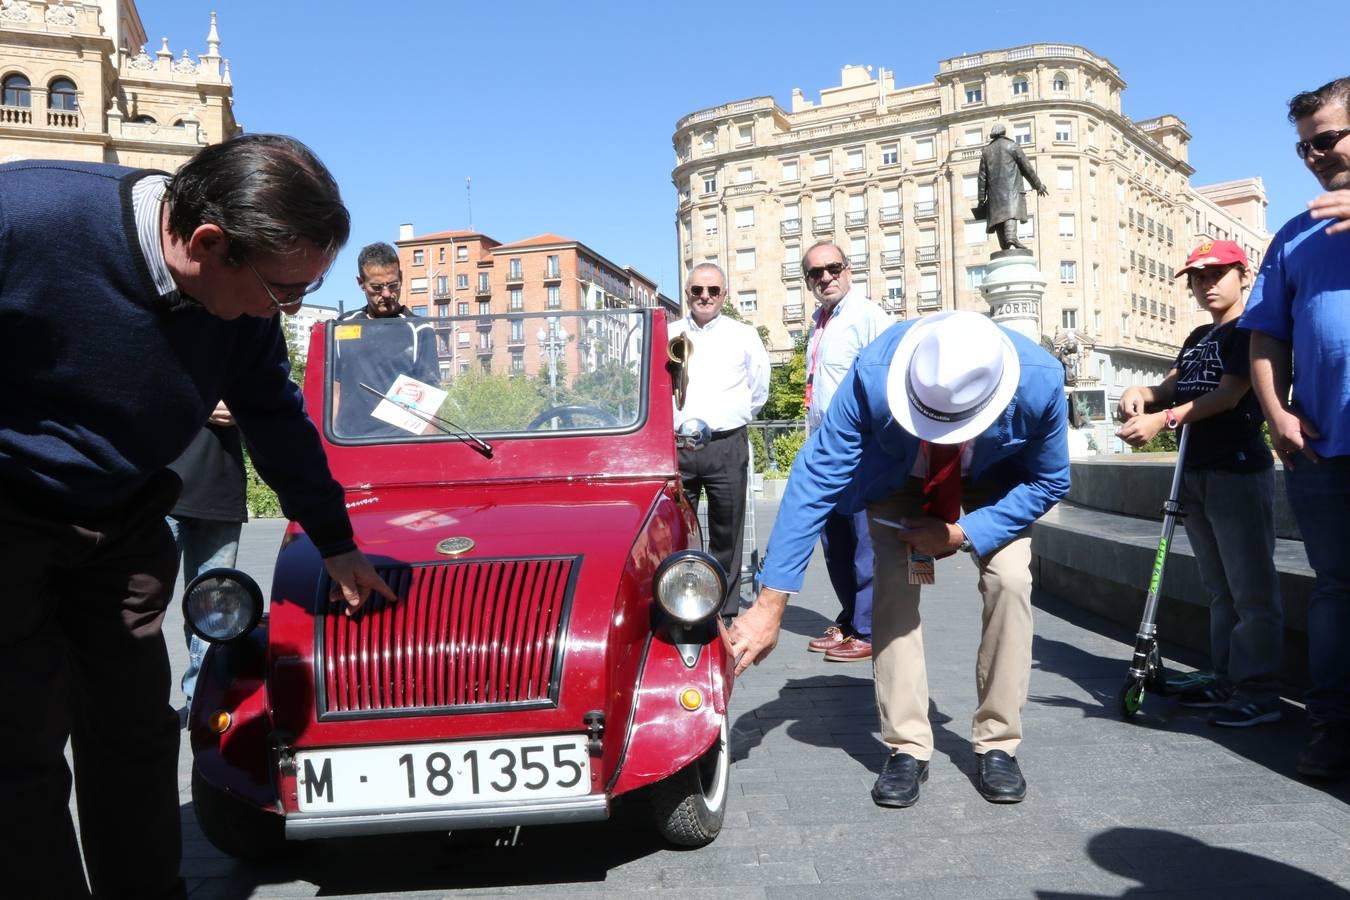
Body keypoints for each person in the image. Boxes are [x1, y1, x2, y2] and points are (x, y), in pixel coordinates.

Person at [0, 134, 396, 900]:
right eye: (284, 291)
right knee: (18, 744)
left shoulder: (241, 305)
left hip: (122, 522)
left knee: (137, 736)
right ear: (209, 244)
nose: (285, 310)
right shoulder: (26, 219)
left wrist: (337, 543)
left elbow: (275, 419)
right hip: (8, 518)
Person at [728, 310, 1069, 808]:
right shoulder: (873, 373)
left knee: (1011, 582)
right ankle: (907, 746)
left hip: (999, 482)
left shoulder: (1041, 381)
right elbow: (817, 475)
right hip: (903, 477)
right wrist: (770, 602)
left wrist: (961, 532)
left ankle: (998, 741)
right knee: (890, 593)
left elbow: (1051, 480)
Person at [1116, 240, 1283, 727]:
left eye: (1216, 274)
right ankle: (1228, 678)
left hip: (1236, 468)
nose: (1206, 284)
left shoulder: (1250, 330)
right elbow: (1171, 386)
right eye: (1197, 276)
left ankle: (1259, 693)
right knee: (1220, 588)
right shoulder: (1197, 338)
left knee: (1251, 589)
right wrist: (1139, 393)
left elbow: (1230, 394)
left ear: (1242, 275)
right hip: (1196, 471)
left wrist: (1163, 419)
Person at [1242, 76, 1350, 779]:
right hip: (1322, 449)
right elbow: (1264, 337)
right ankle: (1335, 727)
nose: (1314, 155)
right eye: (1305, 146)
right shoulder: (1295, 232)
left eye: (1329, 140)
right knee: (1336, 590)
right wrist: (1277, 412)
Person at [799, 241, 892, 663]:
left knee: (862, 541)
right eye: (815, 273)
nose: (825, 277)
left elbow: (889, 378)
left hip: (858, 448)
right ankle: (853, 617)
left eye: (832, 268)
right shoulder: (822, 321)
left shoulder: (868, 316)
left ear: (848, 269)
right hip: (823, 446)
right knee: (833, 541)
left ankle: (871, 627)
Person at [670, 262, 770, 618]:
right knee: (677, 530)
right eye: (697, 290)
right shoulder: (669, 334)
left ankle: (723, 610)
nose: (705, 297)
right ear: (687, 294)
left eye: (713, 291)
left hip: (726, 444)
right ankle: (680, 603)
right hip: (676, 447)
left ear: (724, 295)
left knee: (727, 530)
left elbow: (759, 390)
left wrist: (730, 416)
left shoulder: (744, 336)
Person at [167, 402, 248, 715]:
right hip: (160, 490)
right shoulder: (158, 354)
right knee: (144, 608)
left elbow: (268, 400)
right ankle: (139, 706)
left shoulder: (234, 355)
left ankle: (201, 700)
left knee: (214, 610)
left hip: (221, 492)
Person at [332, 242, 441, 437]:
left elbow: (429, 406)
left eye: (393, 285)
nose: (386, 294)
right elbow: (334, 392)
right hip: (348, 444)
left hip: (400, 445)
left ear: (401, 278)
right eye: (376, 287)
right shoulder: (342, 326)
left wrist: (429, 454)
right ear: (361, 284)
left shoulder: (420, 330)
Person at [976, 123, 1049, 251]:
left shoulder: (986, 152)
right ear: (1004, 133)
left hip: (994, 196)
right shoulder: (1012, 146)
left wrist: (981, 199)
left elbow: (982, 178)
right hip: (1011, 191)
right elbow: (1027, 168)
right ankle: (1011, 237)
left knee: (999, 217)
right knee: (1010, 213)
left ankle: (1005, 244)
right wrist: (1038, 185)